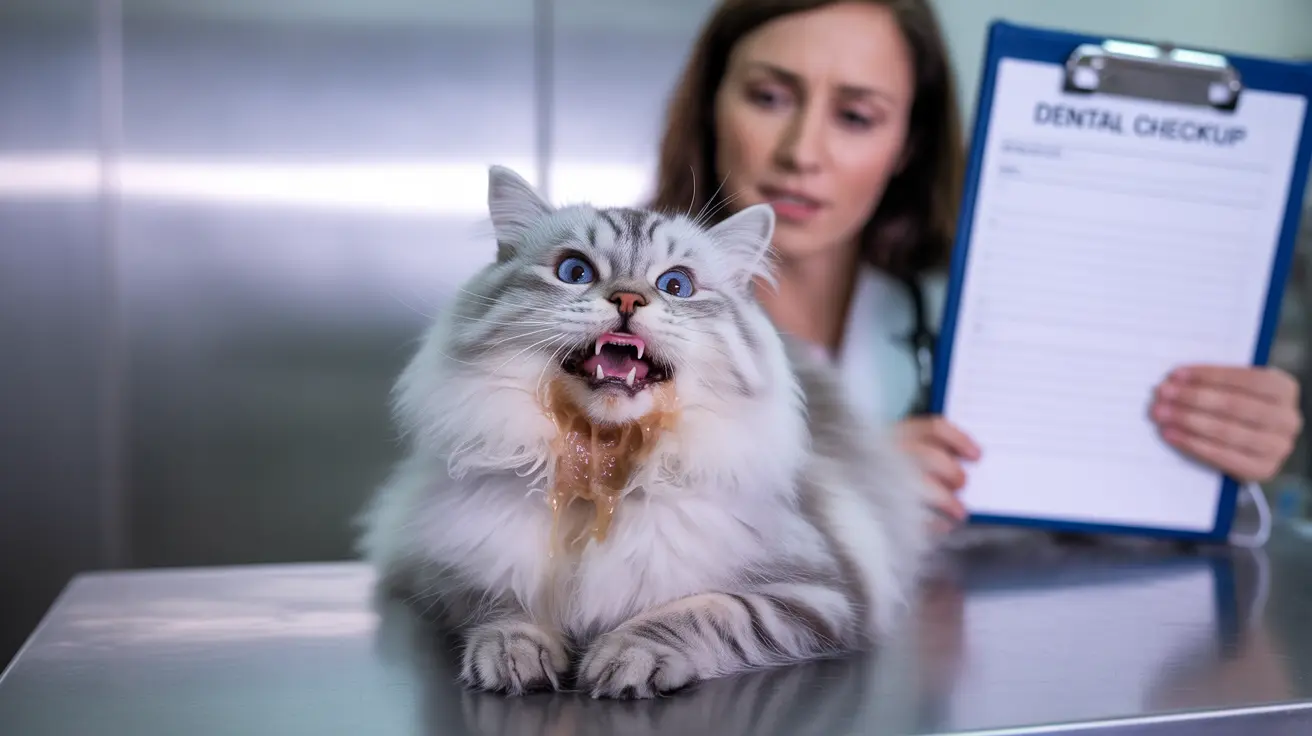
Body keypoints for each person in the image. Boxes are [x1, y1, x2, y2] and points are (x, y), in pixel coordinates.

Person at [647, 0, 1304, 529]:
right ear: (712, 104)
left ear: (908, 144)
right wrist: (861, 482)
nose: (802, 152)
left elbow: (1092, 526)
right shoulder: (615, 312)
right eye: (769, 98)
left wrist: (1221, 450)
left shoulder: (975, 314)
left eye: (855, 116)